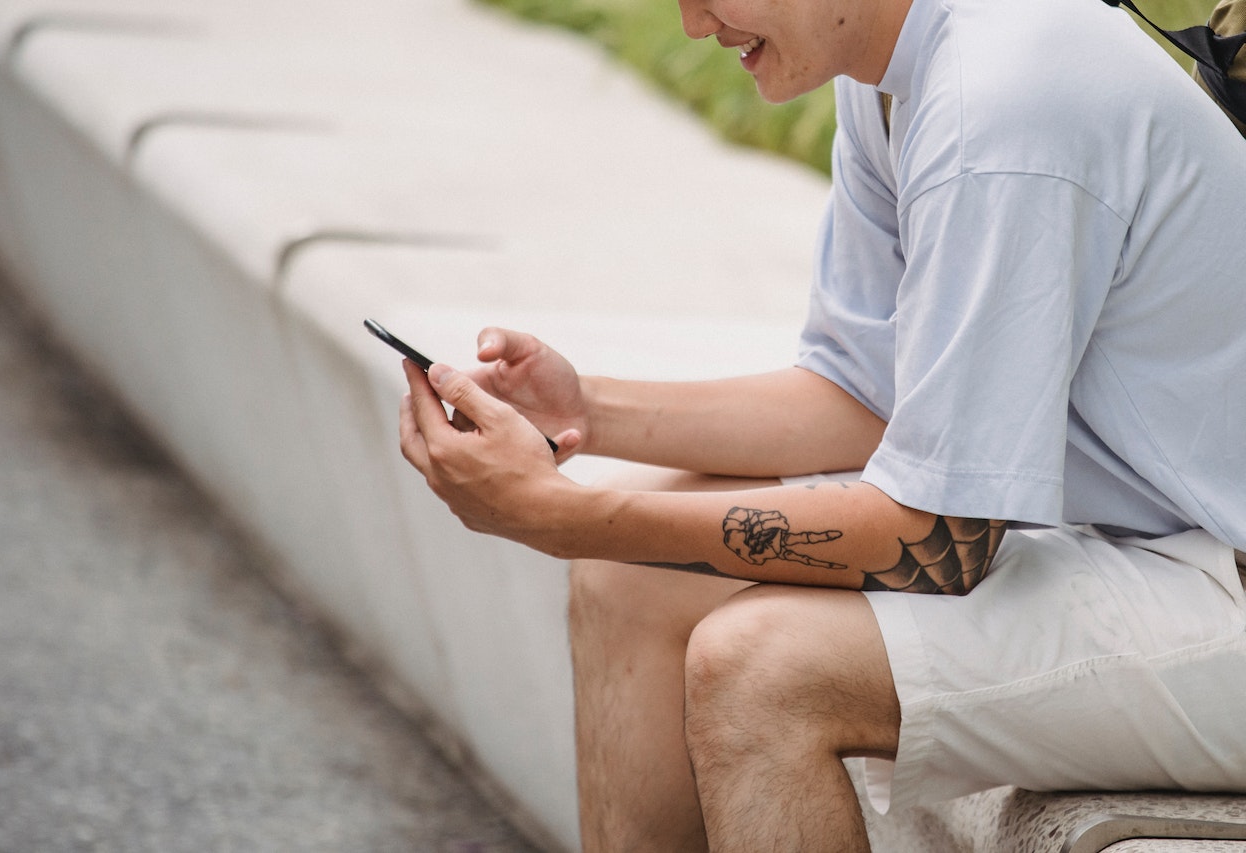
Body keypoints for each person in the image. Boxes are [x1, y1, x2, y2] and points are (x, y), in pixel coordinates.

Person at [398, 0, 1246, 845]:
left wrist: (564, 517)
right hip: (1173, 545)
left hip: (1224, 583)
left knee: (766, 667)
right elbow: (862, 395)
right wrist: (587, 412)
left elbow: (935, 539)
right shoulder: (898, 68)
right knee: (628, 584)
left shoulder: (1000, 107)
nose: (695, 25)